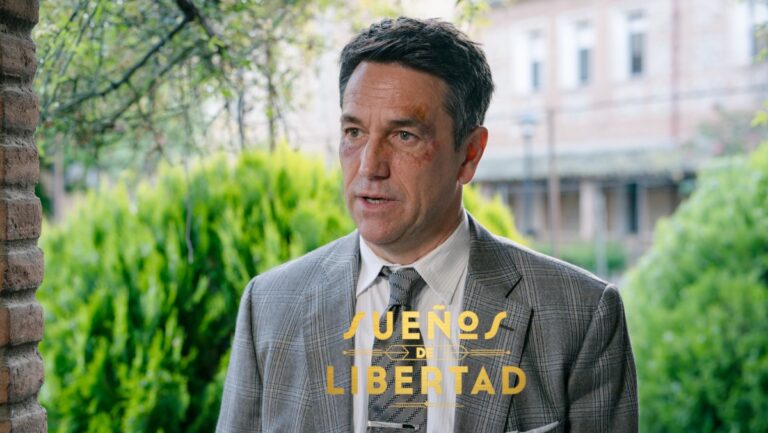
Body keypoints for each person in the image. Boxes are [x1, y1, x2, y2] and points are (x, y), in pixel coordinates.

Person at [216, 17, 637, 433]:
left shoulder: (581, 315)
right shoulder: (268, 305)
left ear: (469, 154)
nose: (369, 166)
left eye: (404, 136)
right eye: (354, 132)